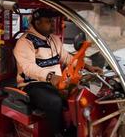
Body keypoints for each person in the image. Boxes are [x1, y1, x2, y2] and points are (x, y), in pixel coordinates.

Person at [13, 8, 102, 137]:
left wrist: (88, 67)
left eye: (52, 21)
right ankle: (58, 133)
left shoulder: (54, 39)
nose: (52, 24)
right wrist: (51, 77)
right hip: (32, 85)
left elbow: (67, 58)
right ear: (37, 23)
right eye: (48, 21)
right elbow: (28, 68)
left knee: (82, 94)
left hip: (56, 82)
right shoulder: (24, 42)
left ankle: (75, 130)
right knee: (54, 101)